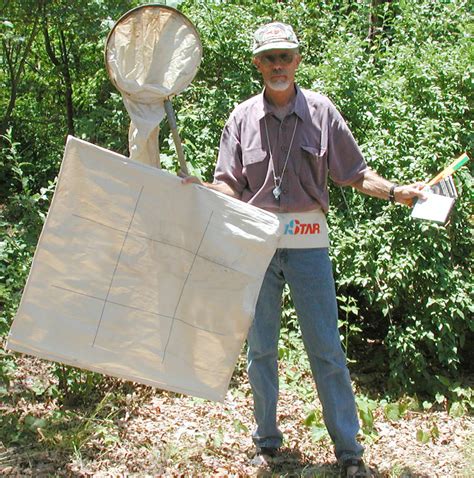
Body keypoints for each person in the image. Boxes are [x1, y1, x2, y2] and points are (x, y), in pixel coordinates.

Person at [183, 21, 425, 478]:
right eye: (270, 57)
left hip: (310, 246)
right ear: (257, 63)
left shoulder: (322, 111)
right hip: (256, 246)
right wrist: (201, 190)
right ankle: (267, 444)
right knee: (260, 350)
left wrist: (397, 192)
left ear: (297, 61)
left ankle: (350, 453)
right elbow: (228, 185)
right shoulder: (240, 119)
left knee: (326, 349)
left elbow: (354, 174)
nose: (279, 65)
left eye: (286, 56)